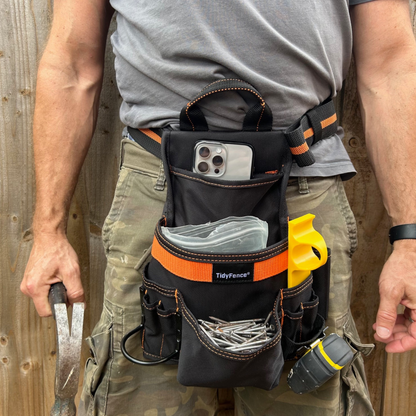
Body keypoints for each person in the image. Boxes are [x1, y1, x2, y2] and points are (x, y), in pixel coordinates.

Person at [21, 0, 416, 415]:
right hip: (161, 190)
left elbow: (392, 67)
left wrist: (409, 241)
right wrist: (48, 231)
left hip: (301, 198)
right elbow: (71, 64)